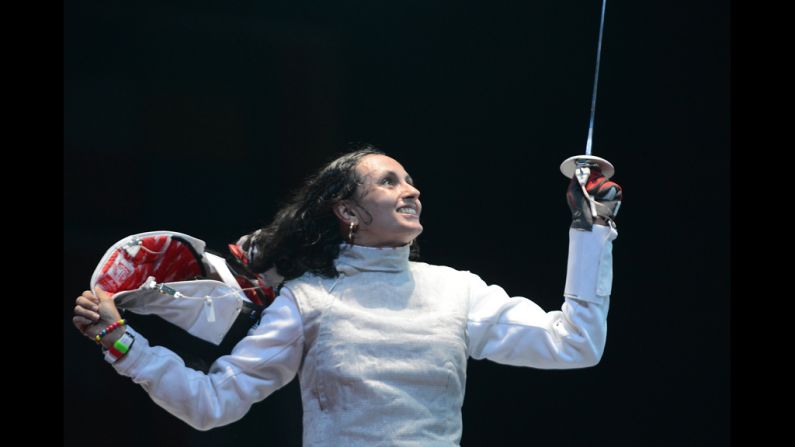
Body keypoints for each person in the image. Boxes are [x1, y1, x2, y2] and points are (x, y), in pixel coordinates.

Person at [73, 145, 622, 446]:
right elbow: (212, 406)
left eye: (410, 181)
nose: (412, 190)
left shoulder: (457, 291)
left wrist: (590, 229)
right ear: (348, 212)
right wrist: (123, 345)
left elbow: (575, 343)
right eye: (389, 181)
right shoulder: (310, 301)